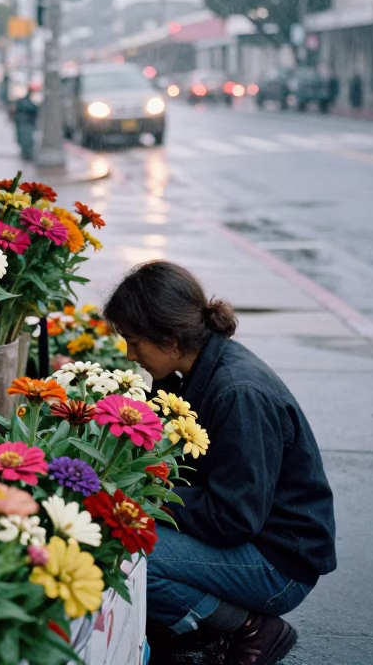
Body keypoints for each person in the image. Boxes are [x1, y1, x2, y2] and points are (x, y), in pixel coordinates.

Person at [104, 261, 336, 665]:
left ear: (171, 337)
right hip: (253, 541)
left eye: (136, 341)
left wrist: (146, 499)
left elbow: (233, 519)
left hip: (278, 564)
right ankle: (202, 623)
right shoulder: (189, 373)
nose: (130, 354)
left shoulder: (238, 393)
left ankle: (251, 627)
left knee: (131, 556)